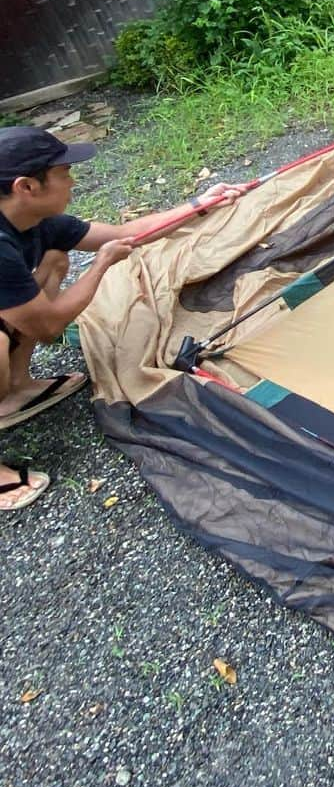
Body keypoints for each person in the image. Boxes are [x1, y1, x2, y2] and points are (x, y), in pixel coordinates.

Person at [0, 126, 246, 510]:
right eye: (64, 174)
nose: (73, 181)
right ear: (26, 186)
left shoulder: (33, 222)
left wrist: (200, 203)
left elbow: (126, 232)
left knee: (52, 261)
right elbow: (48, 327)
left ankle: (14, 388)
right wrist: (99, 267)